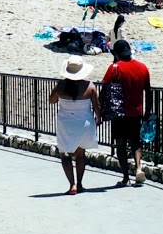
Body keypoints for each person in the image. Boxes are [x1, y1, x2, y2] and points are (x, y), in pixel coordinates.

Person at [102, 39, 151, 186]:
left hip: (119, 112)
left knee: (120, 144)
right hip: (137, 112)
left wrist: (99, 109)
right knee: (135, 142)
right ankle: (138, 168)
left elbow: (104, 90)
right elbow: (148, 92)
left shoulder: (114, 68)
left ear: (116, 54)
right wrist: (147, 111)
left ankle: (125, 178)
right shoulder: (143, 68)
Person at [50, 57, 100, 194]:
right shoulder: (90, 86)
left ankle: (72, 185)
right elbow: (97, 106)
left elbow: (52, 100)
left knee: (64, 154)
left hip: (66, 122)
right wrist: (99, 119)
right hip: (84, 122)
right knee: (80, 155)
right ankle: (80, 184)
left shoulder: (61, 86)